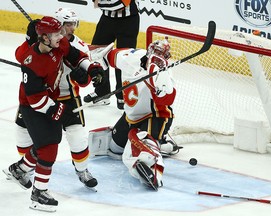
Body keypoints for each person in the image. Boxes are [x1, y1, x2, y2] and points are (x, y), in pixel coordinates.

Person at [5, 16, 104, 212]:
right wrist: (58, 111)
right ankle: (39, 194)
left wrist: (92, 68)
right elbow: (35, 100)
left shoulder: (57, 43)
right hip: (33, 107)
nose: (62, 36)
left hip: (51, 100)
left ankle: (20, 169)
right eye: (56, 34)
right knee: (48, 148)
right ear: (43, 38)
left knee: (51, 141)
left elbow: (75, 55)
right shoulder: (31, 61)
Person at [88, 38, 182, 190]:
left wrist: (157, 85)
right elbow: (107, 55)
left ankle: (153, 163)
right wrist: (95, 66)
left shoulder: (165, 74)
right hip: (131, 116)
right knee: (114, 149)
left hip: (156, 116)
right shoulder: (130, 57)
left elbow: (167, 100)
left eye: (161, 55)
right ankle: (163, 145)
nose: (158, 57)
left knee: (138, 141)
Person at [85, 0, 140, 109]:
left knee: (123, 58)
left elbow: (120, 4)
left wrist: (99, 3)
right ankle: (102, 92)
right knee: (98, 54)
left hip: (128, 21)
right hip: (107, 20)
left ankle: (122, 95)